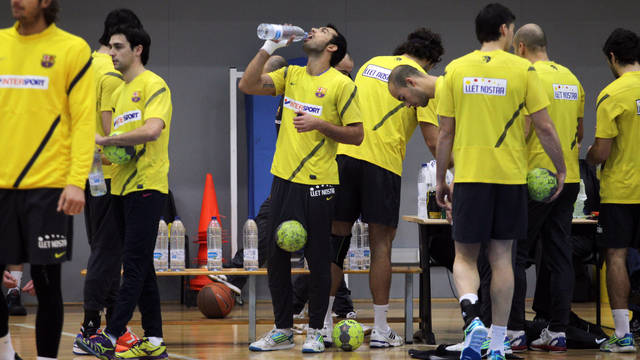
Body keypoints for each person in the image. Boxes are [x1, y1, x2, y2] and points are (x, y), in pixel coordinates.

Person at [434, 4, 566, 360]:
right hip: (509, 178)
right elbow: (544, 126)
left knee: (464, 257)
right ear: (507, 30)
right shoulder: (524, 69)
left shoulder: (455, 70)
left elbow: (445, 132)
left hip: (470, 176)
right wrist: (562, 168)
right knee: (502, 258)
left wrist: (441, 178)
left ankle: (470, 317)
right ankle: (496, 345)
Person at [239, 24, 363, 353]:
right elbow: (247, 84)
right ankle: (281, 329)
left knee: (319, 260)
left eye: (321, 30)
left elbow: (357, 134)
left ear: (332, 47)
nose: (312, 30)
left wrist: (321, 125)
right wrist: (269, 46)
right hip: (283, 180)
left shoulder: (341, 85)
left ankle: (316, 330)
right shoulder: (292, 74)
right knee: (276, 256)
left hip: (319, 183)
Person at [327, 28, 442, 348]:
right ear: (430, 61)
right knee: (381, 246)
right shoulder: (421, 80)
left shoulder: (370, 65)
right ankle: (380, 329)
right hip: (382, 165)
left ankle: (321, 325)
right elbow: (434, 140)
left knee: (335, 241)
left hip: (344, 157)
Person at [0, 0, 96, 358]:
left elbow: (84, 120)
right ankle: (6, 350)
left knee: (45, 282)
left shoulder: (71, 49)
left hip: (48, 187)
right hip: (2, 185)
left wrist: (75, 180)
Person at [77, 25, 173, 360]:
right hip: (119, 188)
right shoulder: (117, 94)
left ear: (138, 49)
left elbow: (151, 130)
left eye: (118, 47)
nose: (112, 53)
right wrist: (94, 153)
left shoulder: (155, 85)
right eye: (111, 47)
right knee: (142, 265)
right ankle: (155, 339)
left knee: (131, 265)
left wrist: (107, 141)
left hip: (148, 186)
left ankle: (112, 333)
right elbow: (117, 146)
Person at [507, 23, 585, 353]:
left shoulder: (528, 75)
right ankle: (558, 330)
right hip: (568, 179)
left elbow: (526, 128)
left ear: (521, 47)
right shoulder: (571, 78)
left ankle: (514, 330)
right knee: (559, 252)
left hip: (535, 179)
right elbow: (579, 133)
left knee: (516, 254)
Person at [74, 8, 144, 356]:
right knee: (107, 251)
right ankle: (89, 329)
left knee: (104, 249)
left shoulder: (85, 64)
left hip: (88, 171)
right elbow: (114, 128)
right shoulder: (113, 74)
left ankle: (116, 325)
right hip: (111, 174)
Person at [587, 27, 640, 353]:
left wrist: (588, 156)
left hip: (621, 191)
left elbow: (602, 153)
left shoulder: (611, 94)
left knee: (617, 256)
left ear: (612, 57)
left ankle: (623, 334)